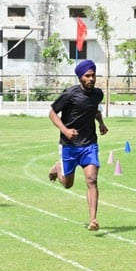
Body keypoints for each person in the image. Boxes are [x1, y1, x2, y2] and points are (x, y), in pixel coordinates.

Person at [48, 59, 109, 231]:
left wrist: (101, 123)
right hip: (69, 144)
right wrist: (65, 130)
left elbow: (94, 109)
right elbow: (52, 113)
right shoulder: (70, 94)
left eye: (93, 75)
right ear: (80, 77)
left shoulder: (98, 94)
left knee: (92, 179)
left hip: (89, 144)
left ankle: (93, 220)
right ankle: (58, 168)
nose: (91, 79)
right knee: (68, 184)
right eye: (87, 76)